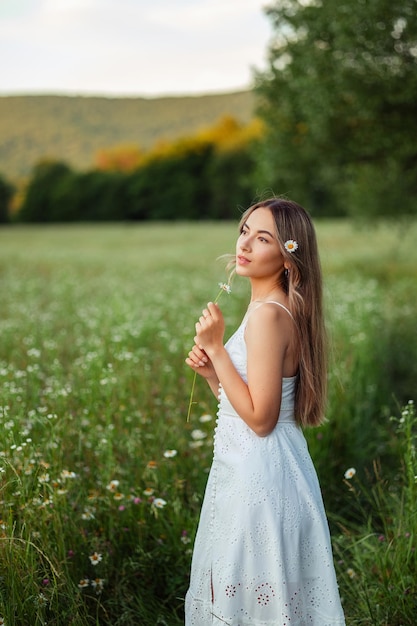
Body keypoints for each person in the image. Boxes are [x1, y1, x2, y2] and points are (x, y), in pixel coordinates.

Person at [184, 197, 345, 625]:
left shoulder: (268, 317)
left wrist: (217, 349)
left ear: (289, 259)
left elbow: (261, 420)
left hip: (261, 475)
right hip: (252, 467)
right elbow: (247, 407)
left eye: (263, 238)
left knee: (258, 596)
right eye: (244, 232)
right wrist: (214, 377)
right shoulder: (265, 310)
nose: (246, 244)